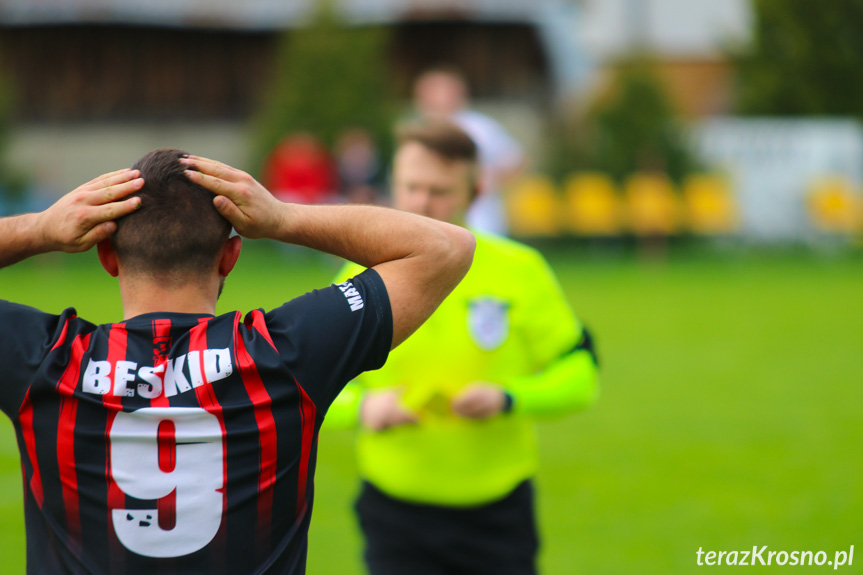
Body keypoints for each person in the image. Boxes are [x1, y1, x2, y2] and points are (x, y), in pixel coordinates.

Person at [0, 148, 475, 574]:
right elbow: (445, 247)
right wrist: (284, 219)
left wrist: (38, 228)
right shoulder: (280, 356)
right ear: (230, 256)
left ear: (107, 256)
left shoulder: (46, 362)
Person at [326, 123, 599, 575]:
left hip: (497, 513)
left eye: (440, 190)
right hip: (394, 513)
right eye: (412, 187)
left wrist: (510, 397)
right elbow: (304, 386)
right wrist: (363, 407)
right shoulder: (360, 275)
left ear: (477, 191)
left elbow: (582, 376)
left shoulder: (520, 270)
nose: (422, 203)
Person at [413, 66, 525, 236]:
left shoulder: (480, 127)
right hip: (430, 217)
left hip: (480, 217)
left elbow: (516, 160)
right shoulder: (417, 129)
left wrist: (489, 182)